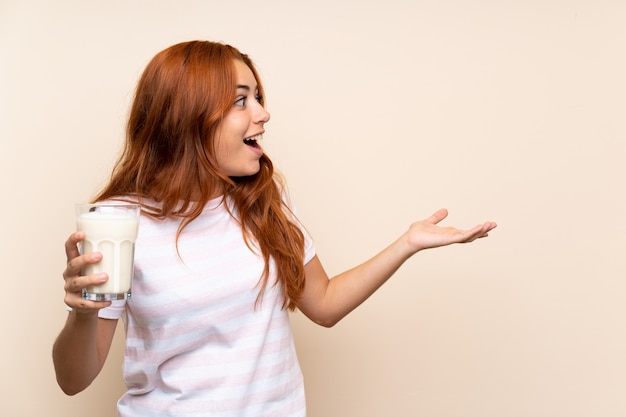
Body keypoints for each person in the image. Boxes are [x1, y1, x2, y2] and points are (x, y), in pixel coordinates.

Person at [52, 40, 497, 417]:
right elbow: (74, 380)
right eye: (241, 100)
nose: (263, 113)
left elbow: (322, 304)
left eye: (258, 96)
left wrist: (408, 243)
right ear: (188, 115)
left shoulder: (262, 198)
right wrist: (84, 313)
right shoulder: (116, 221)